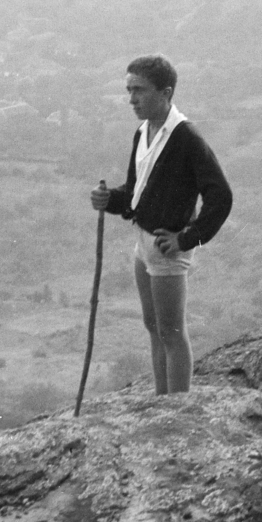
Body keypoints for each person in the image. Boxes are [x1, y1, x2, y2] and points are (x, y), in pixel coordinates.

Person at [90, 55, 232, 395]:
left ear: (165, 92)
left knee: (171, 330)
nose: (132, 99)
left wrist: (188, 238)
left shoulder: (186, 138)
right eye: (129, 90)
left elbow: (221, 196)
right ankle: (162, 399)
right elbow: (138, 192)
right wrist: (109, 199)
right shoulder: (144, 132)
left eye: (139, 91)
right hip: (145, 240)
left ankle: (177, 407)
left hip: (167, 246)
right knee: (154, 326)